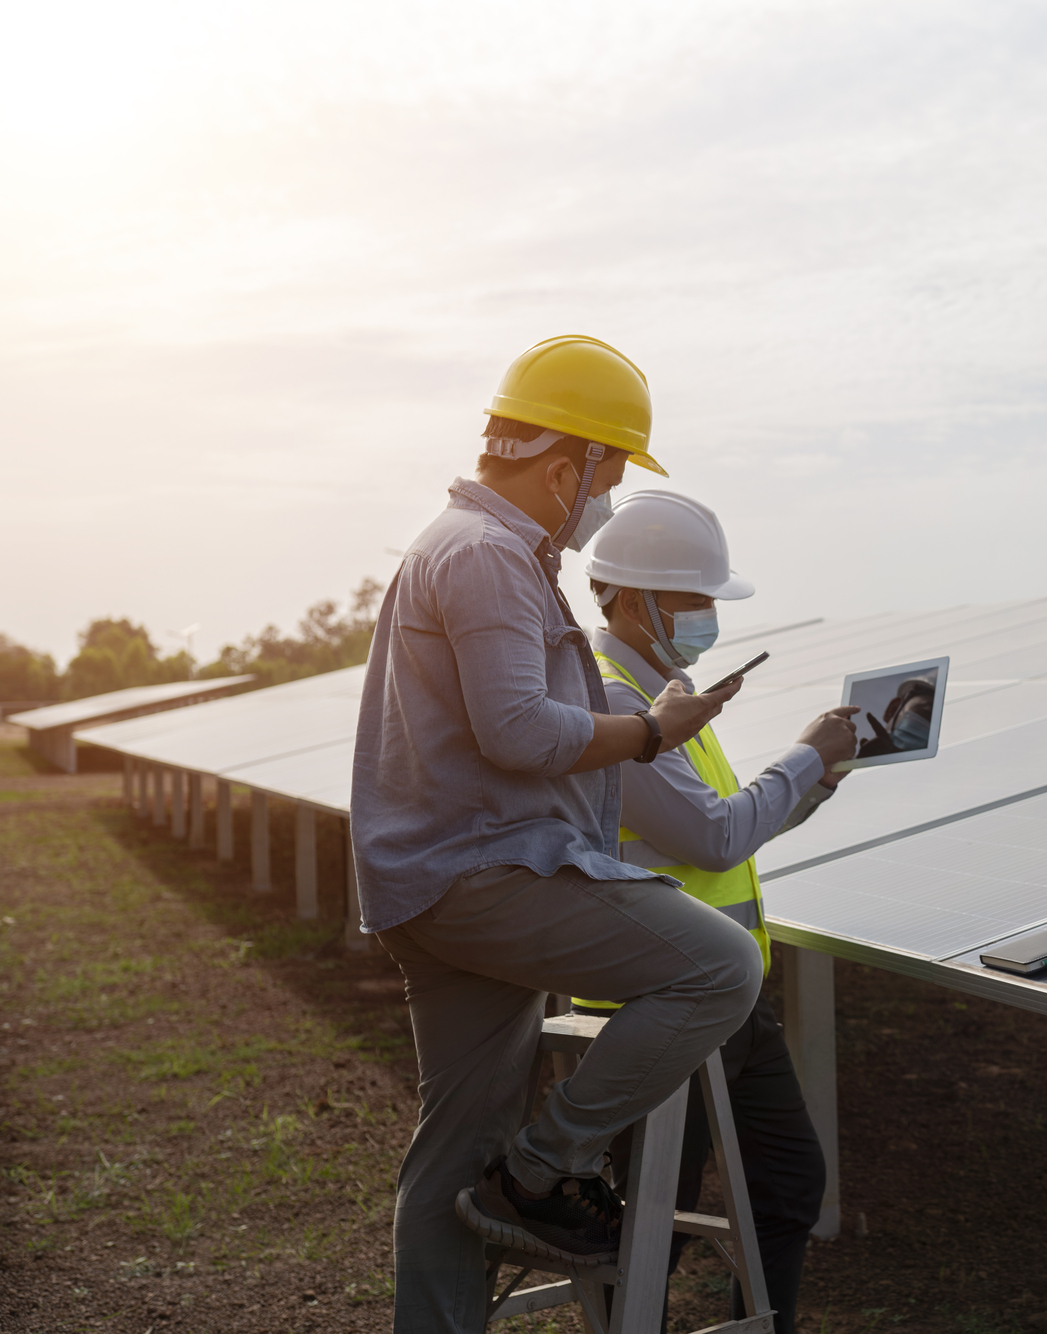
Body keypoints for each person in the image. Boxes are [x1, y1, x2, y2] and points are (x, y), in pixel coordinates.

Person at [350, 336, 764, 1333]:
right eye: (608, 470)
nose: (606, 496)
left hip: (431, 881)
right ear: (561, 461)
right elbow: (517, 730)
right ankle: (544, 1166)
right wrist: (651, 729)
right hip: (485, 873)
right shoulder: (488, 554)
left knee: (451, 1159)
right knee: (718, 966)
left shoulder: (458, 545)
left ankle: (490, 1212)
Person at [576, 489, 858, 1334]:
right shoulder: (614, 705)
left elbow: (726, 823)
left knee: (788, 1185)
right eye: (692, 599)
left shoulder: (669, 691)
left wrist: (820, 781)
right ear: (631, 599)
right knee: (647, 1225)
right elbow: (710, 837)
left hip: (727, 996)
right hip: (657, 1001)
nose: (706, 617)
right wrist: (806, 757)